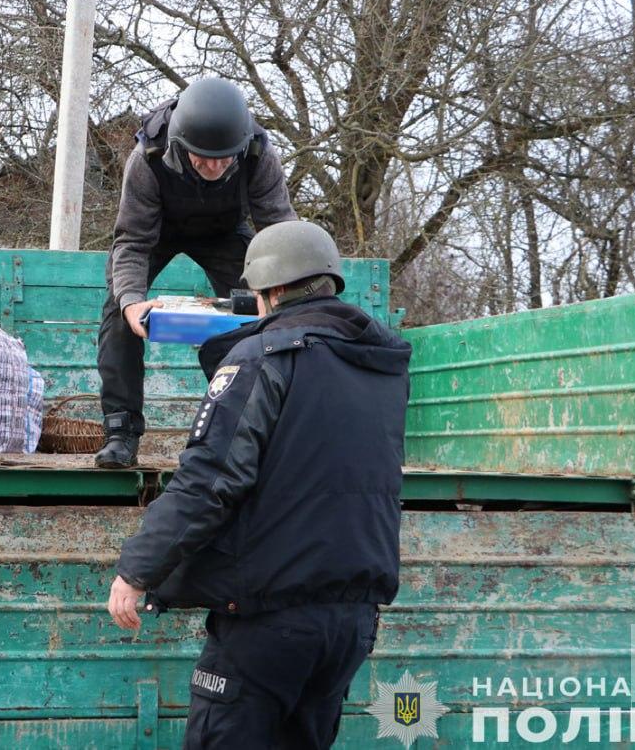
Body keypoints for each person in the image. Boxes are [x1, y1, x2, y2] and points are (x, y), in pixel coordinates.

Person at [105, 220, 411, 749]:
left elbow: (209, 479)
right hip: (351, 623)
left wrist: (138, 569)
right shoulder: (383, 367)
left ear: (267, 292)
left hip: (269, 622)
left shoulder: (264, 356)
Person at [95, 77, 297, 469]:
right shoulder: (147, 157)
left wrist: (275, 290)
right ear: (179, 144)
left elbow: (279, 233)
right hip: (156, 230)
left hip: (225, 233)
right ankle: (121, 432)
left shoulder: (259, 155)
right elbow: (132, 241)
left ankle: (253, 426)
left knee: (262, 313)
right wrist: (132, 304)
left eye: (225, 159)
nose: (214, 167)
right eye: (203, 157)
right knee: (119, 312)